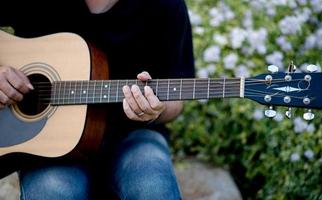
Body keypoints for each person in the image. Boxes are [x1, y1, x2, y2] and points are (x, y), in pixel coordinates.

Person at [0, 0, 195, 199]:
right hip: (48, 145)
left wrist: (155, 111)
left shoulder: (167, 5)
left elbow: (176, 99)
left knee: (153, 190)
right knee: (51, 192)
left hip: (135, 135)